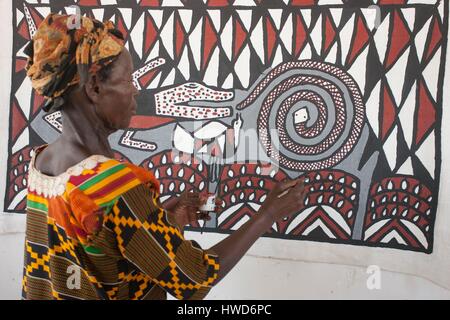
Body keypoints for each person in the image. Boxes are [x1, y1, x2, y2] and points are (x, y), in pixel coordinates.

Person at [22, 13, 307, 300]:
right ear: (94, 88)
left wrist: (159, 221)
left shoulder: (42, 162)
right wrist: (267, 214)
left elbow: (95, 252)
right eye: (127, 81)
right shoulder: (115, 187)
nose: (135, 91)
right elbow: (195, 279)